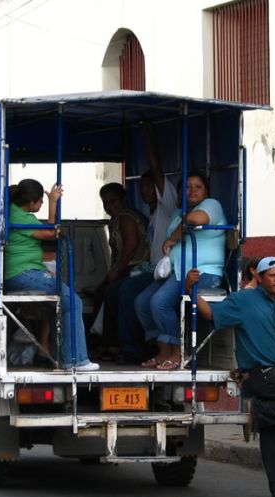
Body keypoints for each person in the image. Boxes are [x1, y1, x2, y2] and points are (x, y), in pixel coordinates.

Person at [186, 257, 275, 497]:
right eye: (271, 275)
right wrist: (189, 289)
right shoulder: (244, 300)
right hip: (262, 374)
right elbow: (210, 313)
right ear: (258, 277)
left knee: (273, 434)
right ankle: (257, 411)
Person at [3, 179, 99, 371]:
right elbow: (52, 233)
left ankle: (62, 356)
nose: (41, 204)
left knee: (58, 306)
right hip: (23, 273)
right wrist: (53, 203)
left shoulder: (13, 212)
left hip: (21, 272)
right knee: (73, 302)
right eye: (41, 201)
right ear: (31, 203)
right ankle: (77, 360)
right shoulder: (23, 218)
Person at [136, 171, 226, 370]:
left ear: (206, 191)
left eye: (197, 186)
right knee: (142, 302)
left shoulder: (212, 205)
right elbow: (185, 222)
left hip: (202, 272)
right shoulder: (178, 213)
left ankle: (179, 352)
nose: (192, 190)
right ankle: (163, 351)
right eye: (187, 187)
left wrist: (174, 238)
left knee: (159, 303)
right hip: (178, 271)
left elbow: (196, 219)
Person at [107, 128, 179, 364]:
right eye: (143, 187)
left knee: (127, 291)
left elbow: (157, 169)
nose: (146, 191)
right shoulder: (152, 214)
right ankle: (142, 343)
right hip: (153, 269)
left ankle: (133, 347)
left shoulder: (168, 206)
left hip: (166, 271)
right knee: (119, 291)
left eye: (150, 187)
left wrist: (147, 135)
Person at [96, 182, 149, 360]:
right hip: (127, 267)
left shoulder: (126, 217)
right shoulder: (117, 218)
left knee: (109, 292)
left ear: (124, 200)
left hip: (135, 267)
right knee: (103, 292)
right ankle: (109, 344)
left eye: (113, 202)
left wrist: (117, 269)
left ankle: (114, 345)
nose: (109, 206)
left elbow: (131, 244)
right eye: (106, 203)